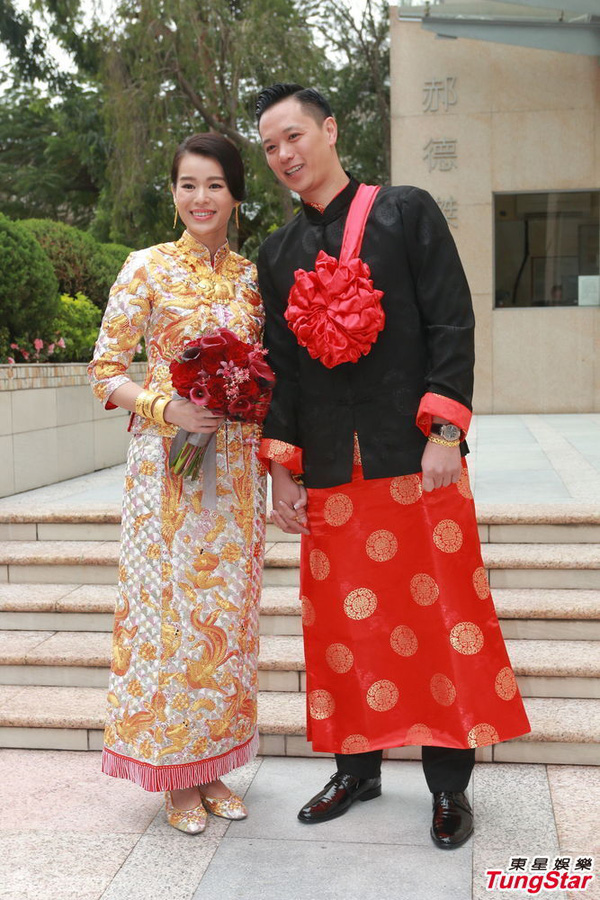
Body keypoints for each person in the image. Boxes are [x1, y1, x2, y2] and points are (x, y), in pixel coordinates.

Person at [255, 83, 531, 849]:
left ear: (330, 130)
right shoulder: (276, 254)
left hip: (415, 457)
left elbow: (451, 318)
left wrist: (444, 431)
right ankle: (356, 771)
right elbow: (281, 369)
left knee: (442, 623)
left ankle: (448, 788)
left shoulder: (405, 211)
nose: (284, 155)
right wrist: (282, 468)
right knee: (345, 627)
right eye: (270, 146)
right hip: (330, 470)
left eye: (294, 136)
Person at [88, 133, 266, 835]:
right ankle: (173, 774)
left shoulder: (253, 279)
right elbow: (105, 371)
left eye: (215, 184)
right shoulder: (147, 267)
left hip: (238, 474)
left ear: (236, 195)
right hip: (166, 474)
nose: (201, 198)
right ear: (173, 192)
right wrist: (169, 408)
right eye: (188, 184)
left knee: (227, 621)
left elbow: (267, 372)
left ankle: (213, 765)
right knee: (169, 622)